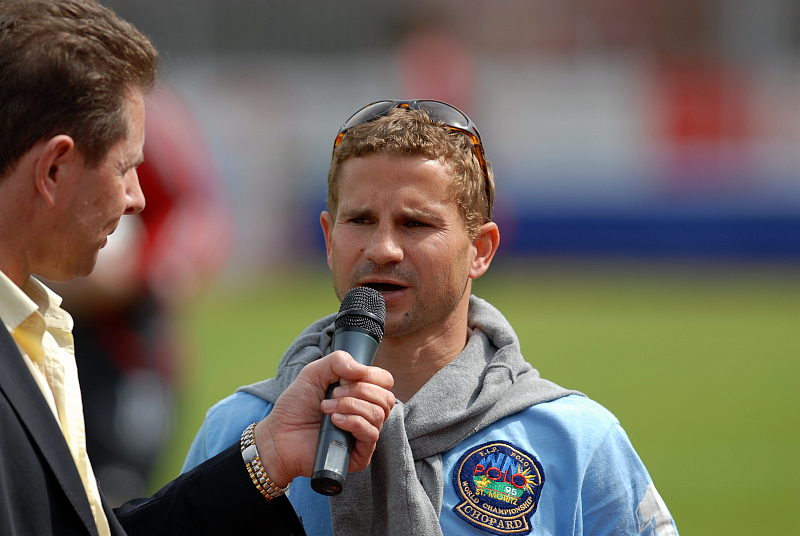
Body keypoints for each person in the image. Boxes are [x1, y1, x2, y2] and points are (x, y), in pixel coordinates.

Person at [183, 99, 680, 536]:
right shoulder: (240, 432)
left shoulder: (575, 441)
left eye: (415, 223)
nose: (382, 248)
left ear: (480, 250)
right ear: (329, 239)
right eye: (360, 220)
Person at [0, 2, 394, 535]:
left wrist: (266, 456)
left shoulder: (35, 325)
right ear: (53, 169)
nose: (138, 198)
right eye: (125, 168)